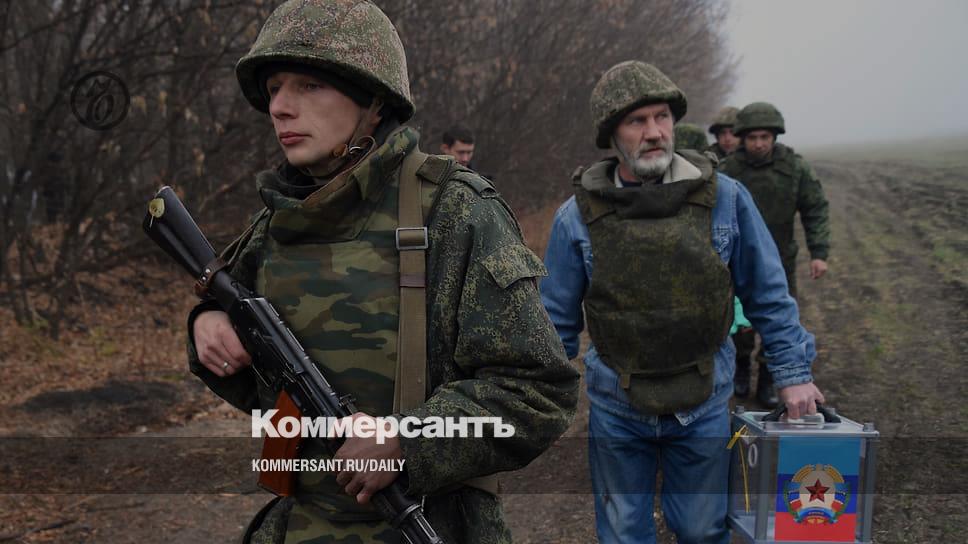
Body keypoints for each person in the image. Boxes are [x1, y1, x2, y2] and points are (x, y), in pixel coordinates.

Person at [186, 1, 579, 542]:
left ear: (373, 101)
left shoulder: (454, 211)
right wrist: (207, 324)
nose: (279, 107)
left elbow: (536, 392)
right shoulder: (276, 222)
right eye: (274, 88)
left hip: (426, 523)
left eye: (309, 86)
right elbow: (251, 363)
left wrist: (409, 441)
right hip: (299, 526)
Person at [539, 60, 825, 544]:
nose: (654, 132)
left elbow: (768, 293)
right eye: (637, 121)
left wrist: (793, 373)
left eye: (662, 117)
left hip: (704, 399)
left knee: (701, 531)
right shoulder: (577, 218)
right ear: (611, 134)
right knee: (623, 534)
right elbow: (555, 323)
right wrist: (538, 396)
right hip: (617, 406)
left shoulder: (725, 199)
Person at [719, 102, 831, 406]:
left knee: (779, 317)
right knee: (738, 321)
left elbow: (815, 208)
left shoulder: (794, 168)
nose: (758, 144)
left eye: (764, 137)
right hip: (736, 261)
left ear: (775, 136)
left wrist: (819, 252)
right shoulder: (727, 171)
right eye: (752, 137)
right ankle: (741, 366)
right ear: (742, 137)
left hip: (780, 260)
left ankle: (769, 377)